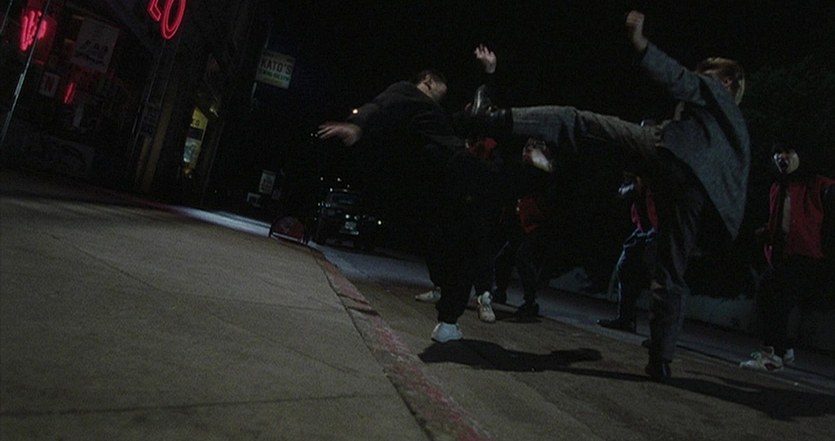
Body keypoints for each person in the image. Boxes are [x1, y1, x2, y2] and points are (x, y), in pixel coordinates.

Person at [468, 10, 750, 381]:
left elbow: (680, 79)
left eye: (708, 74)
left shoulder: (716, 90)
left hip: (670, 155)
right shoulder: (737, 135)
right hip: (695, 193)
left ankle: (495, 116)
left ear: (727, 81)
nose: (702, 78)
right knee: (671, 272)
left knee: (577, 121)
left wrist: (641, 45)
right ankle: (661, 359)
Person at [318, 62, 503, 343]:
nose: (443, 97)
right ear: (427, 81)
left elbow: (477, 113)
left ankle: (450, 319)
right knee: (470, 233)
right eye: (441, 90)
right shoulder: (406, 91)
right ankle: (451, 312)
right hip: (453, 173)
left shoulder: (429, 112)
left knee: (461, 244)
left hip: (446, 183)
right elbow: (380, 105)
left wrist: (487, 75)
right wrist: (357, 125)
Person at [739, 143, 835, 372]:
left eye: (788, 152)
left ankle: (772, 355)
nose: (782, 157)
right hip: (782, 255)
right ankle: (783, 348)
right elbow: (781, 221)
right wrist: (766, 232)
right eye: (777, 153)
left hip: (806, 256)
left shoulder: (817, 185)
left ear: (800, 155)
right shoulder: (777, 187)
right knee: (775, 299)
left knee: (772, 296)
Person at [597, 172, 658, 333]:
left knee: (660, 278)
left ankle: (661, 335)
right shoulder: (635, 179)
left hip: (660, 229)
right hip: (644, 228)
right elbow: (622, 192)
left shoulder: (657, 176)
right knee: (625, 267)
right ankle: (626, 319)